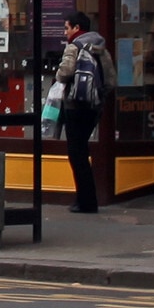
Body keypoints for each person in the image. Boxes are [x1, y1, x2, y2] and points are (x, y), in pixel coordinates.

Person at [53, 11, 108, 214]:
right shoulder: (101, 47)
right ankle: (87, 199)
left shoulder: (74, 46)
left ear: (77, 28)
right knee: (83, 151)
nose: (65, 32)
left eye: (67, 28)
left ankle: (85, 201)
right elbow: (110, 78)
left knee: (77, 154)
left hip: (75, 106)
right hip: (93, 107)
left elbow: (64, 73)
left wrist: (57, 75)